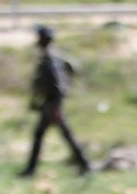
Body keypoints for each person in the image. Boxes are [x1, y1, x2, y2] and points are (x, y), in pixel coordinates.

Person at [19, 24, 90, 178]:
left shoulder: (51, 58)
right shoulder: (51, 56)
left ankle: (31, 170)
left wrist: (56, 106)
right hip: (49, 103)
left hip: (52, 104)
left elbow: (58, 84)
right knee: (57, 135)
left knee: (50, 135)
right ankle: (84, 165)